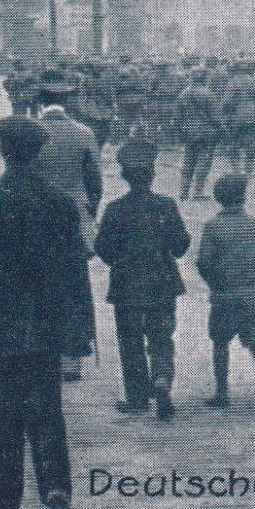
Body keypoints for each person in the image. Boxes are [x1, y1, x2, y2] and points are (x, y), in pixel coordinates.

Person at [0, 115, 94, 509]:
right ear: (39, 153)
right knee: (48, 410)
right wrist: (80, 331)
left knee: (5, 415)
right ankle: (57, 491)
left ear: (4, 153)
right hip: (46, 329)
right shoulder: (61, 205)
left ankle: (6, 500)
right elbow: (75, 273)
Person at [94, 138, 190, 420]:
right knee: (162, 337)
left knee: (130, 341)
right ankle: (161, 378)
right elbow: (180, 246)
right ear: (153, 174)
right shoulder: (166, 205)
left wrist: (117, 261)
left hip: (127, 287)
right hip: (162, 284)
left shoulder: (115, 209)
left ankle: (137, 398)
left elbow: (103, 248)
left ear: (124, 176)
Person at [33, 69, 101, 382]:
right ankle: (73, 356)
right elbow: (95, 184)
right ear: (67, 101)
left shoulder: (30, 133)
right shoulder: (85, 134)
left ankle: (42, 349)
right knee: (75, 287)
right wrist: (88, 213)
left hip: (37, 222)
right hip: (74, 223)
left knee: (38, 286)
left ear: (41, 100)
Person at [195, 172, 255, 414]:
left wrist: (215, 284)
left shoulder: (213, 227)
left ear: (218, 199)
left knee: (220, 343)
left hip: (225, 296)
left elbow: (203, 262)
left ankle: (222, 392)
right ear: (243, 198)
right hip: (254, 296)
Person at [174, 69, 222, 200]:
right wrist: (223, 131)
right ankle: (198, 192)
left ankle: (183, 191)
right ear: (204, 78)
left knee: (188, 161)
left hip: (188, 132)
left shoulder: (183, 94)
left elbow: (177, 118)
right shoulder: (208, 94)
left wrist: (180, 134)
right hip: (205, 133)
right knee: (203, 161)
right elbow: (216, 118)